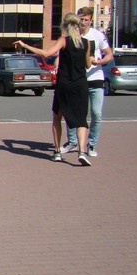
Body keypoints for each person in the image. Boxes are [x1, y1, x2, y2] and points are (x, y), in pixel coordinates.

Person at [16, 13, 94, 166]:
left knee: (57, 117)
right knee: (81, 120)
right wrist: (91, 59)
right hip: (80, 85)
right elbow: (88, 65)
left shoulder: (63, 41)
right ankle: (82, 151)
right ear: (78, 26)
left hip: (64, 84)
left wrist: (25, 45)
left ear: (64, 27)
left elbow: (46, 53)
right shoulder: (87, 43)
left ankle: (57, 151)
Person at [59, 6, 113, 158]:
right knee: (71, 113)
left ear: (90, 21)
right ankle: (72, 142)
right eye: (81, 19)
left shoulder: (97, 35)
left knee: (96, 113)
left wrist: (100, 61)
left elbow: (109, 54)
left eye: (86, 20)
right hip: (76, 80)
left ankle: (92, 143)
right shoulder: (70, 36)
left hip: (95, 78)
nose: (83, 23)